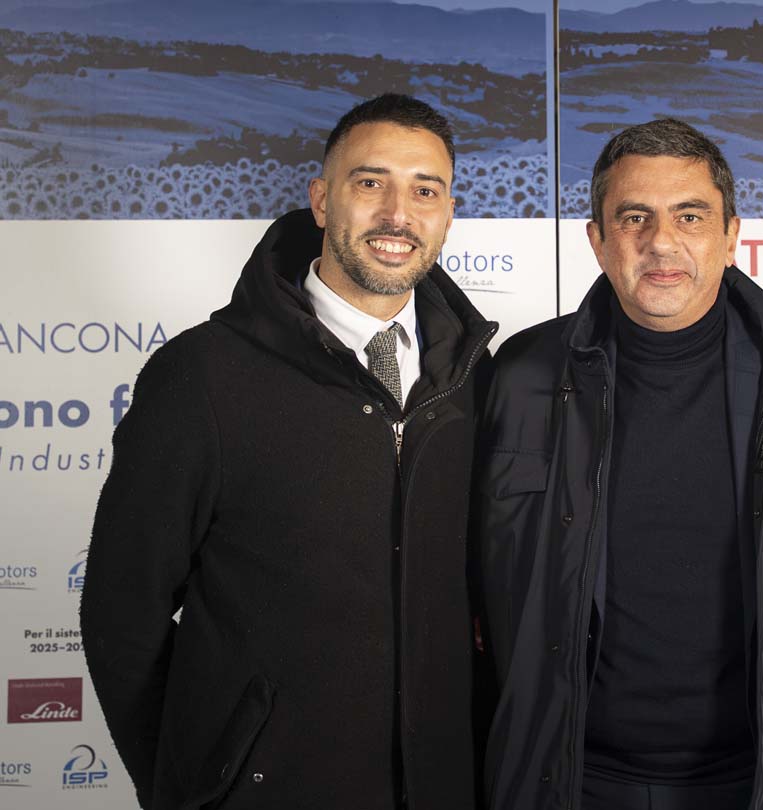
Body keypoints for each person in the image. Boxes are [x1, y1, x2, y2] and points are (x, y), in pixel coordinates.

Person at [473, 119, 763, 810]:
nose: (661, 242)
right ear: (597, 240)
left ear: (731, 236)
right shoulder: (521, 376)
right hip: (564, 774)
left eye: (690, 216)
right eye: (633, 217)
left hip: (761, 775)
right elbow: (478, 569)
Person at [81, 94, 496, 810]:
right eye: (371, 182)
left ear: (448, 214)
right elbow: (123, 613)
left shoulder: (478, 380)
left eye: (425, 191)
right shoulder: (203, 376)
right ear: (323, 201)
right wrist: (189, 784)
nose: (398, 214)